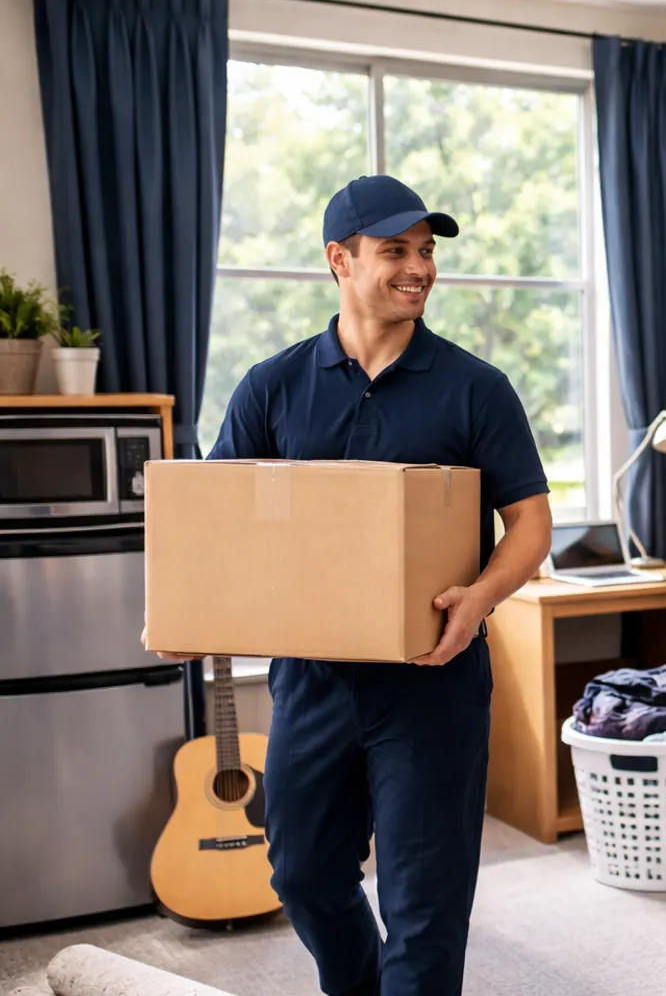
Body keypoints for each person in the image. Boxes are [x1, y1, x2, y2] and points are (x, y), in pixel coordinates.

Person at [147, 175, 553, 996]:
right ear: (339, 259)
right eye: (396, 250)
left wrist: (478, 601)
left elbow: (532, 528)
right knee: (300, 874)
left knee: (424, 906)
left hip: (431, 685)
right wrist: (188, 613)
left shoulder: (475, 387)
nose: (420, 268)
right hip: (314, 682)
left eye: (427, 251)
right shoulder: (274, 386)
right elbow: (216, 522)